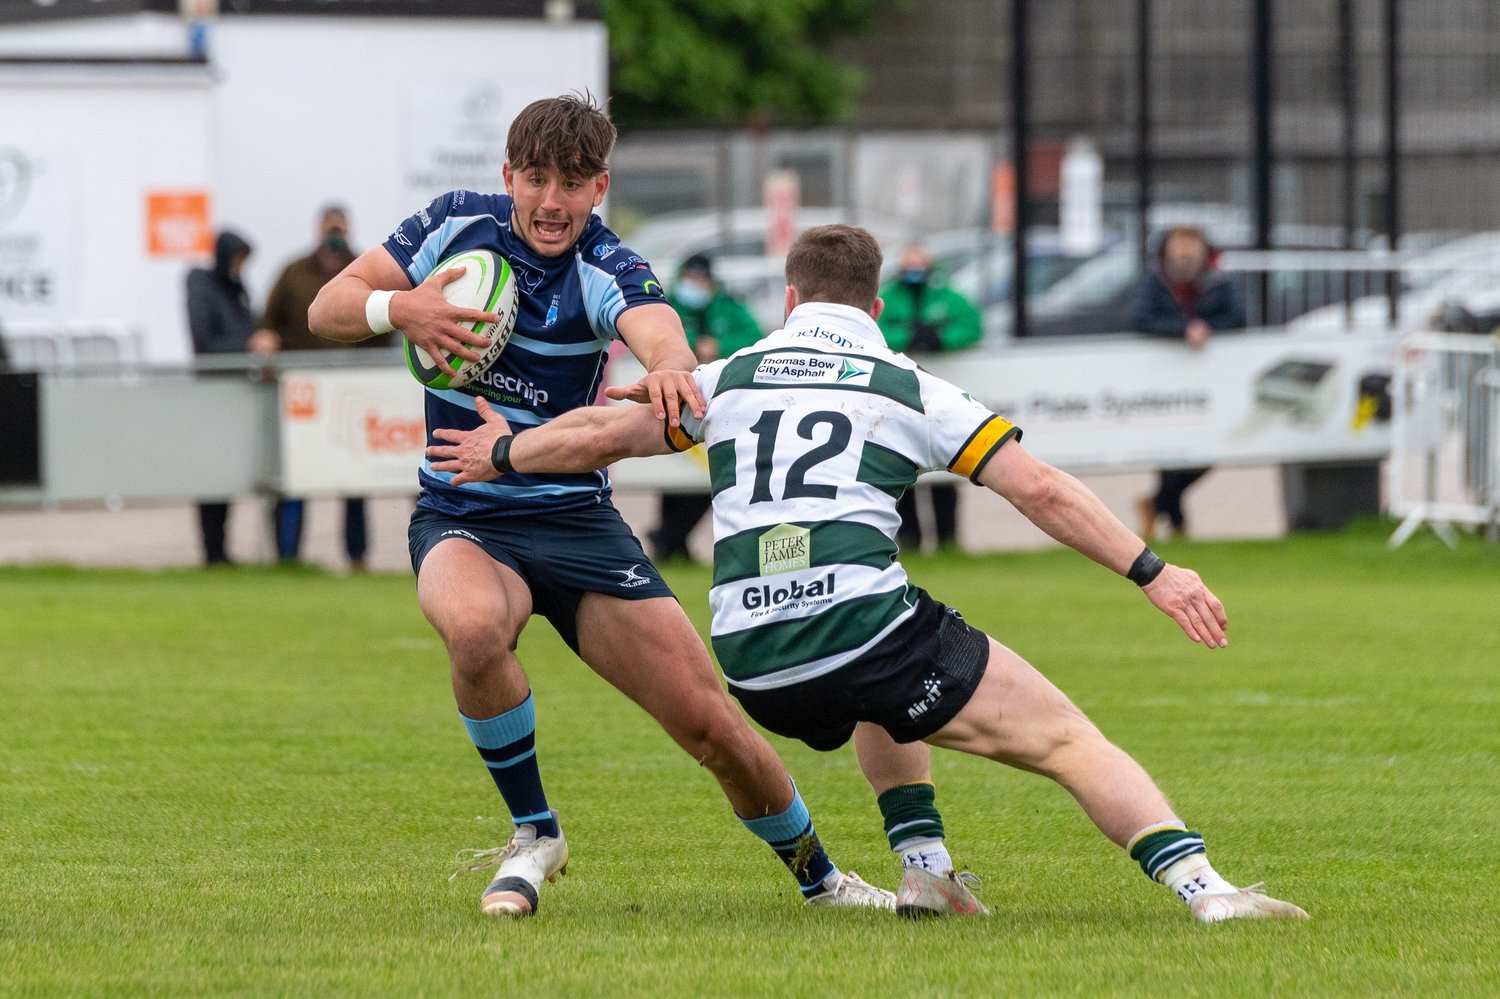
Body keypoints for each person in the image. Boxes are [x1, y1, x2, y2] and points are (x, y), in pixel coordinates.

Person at [428, 224, 1310, 923]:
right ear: (877, 305)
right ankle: (1208, 890)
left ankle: (925, 872)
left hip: (753, 658)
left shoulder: (727, 375)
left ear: (789, 297)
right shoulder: (903, 381)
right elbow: (1038, 489)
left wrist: (502, 449)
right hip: (853, 625)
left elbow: (599, 433)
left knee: (880, 670)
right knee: (1067, 740)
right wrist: (1154, 570)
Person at [307, 95, 895, 918]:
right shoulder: (451, 224)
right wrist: (398, 306)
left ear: (601, 187)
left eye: (575, 184)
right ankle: (535, 832)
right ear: (508, 175)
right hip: (465, 512)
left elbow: (659, 332)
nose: (554, 201)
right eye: (538, 179)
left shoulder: (606, 265)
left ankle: (821, 878)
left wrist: (668, 365)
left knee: (710, 728)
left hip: (578, 524)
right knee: (473, 627)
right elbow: (324, 307)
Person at [260, 206, 389, 571]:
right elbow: (268, 321)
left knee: (355, 479)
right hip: (305, 396)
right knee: (298, 477)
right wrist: (265, 339)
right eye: (329, 227)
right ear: (318, 228)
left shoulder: (367, 270)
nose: (334, 233)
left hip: (355, 392)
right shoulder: (294, 272)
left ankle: (357, 556)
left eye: (340, 227)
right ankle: (288, 557)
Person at [1129, 226, 1247, 540]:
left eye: (1191, 246)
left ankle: (1154, 505)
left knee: (1207, 450)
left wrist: (1206, 328)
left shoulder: (1220, 284)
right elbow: (1139, 319)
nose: (1185, 253)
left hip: (1211, 384)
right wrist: (1182, 330)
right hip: (1165, 383)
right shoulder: (1154, 283)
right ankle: (1177, 523)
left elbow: (1238, 318)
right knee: (1170, 450)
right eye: (1179, 246)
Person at [649, 253, 762, 562]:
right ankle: (670, 540)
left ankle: (669, 538)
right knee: (673, 478)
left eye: (701, 280)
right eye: (691, 278)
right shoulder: (666, 306)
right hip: (676, 404)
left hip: (714, 405)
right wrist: (692, 347)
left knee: (704, 478)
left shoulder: (729, 307)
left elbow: (755, 338)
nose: (695, 286)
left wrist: (720, 346)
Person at [876, 243, 983, 552]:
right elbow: (877, 329)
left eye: (920, 264)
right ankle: (911, 542)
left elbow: (972, 325)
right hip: (899, 397)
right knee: (905, 474)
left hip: (941, 399)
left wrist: (941, 339)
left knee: (946, 472)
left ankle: (949, 543)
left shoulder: (949, 296)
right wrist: (908, 339)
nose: (915, 271)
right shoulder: (890, 297)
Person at [185, 231, 278, 566]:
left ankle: (220, 552)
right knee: (212, 477)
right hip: (212, 397)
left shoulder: (238, 289)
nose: (241, 266)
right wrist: (249, 347)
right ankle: (212, 552)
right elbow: (204, 343)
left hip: (236, 396)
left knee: (229, 475)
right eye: (237, 258)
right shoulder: (200, 285)